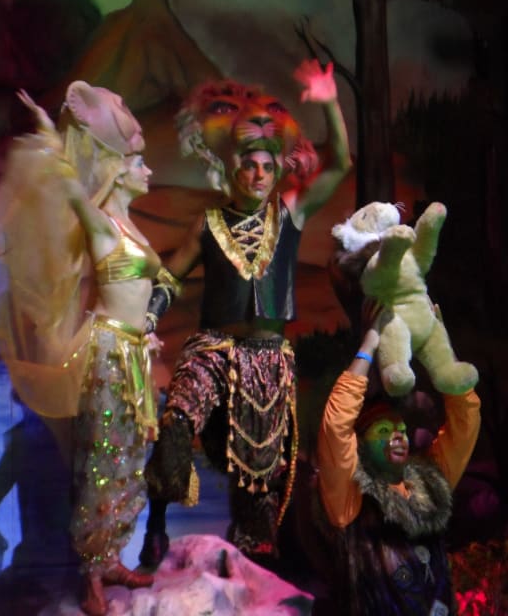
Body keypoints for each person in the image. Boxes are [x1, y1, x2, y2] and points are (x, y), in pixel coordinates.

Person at [138, 59, 353, 568]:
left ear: (277, 171)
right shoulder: (209, 222)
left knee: (260, 472)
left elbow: (340, 164)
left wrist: (329, 100)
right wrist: (147, 318)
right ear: (231, 168)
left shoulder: (289, 213)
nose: (258, 175)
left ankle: (254, 560)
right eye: (248, 165)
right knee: (176, 422)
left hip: (268, 360)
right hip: (212, 348)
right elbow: (169, 277)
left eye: (267, 167)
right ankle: (156, 523)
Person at [0, 82, 162, 615]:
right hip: (107, 353)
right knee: (102, 458)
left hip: (135, 352)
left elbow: (147, 287)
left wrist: (148, 330)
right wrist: (49, 133)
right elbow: (67, 183)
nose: (148, 169)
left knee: (129, 458)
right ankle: (90, 578)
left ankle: (112, 558)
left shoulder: (132, 227)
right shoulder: (102, 224)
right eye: (138, 164)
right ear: (119, 174)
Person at [315, 314, 481, 615]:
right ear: (360, 445)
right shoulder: (351, 497)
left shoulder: (429, 483)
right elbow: (336, 426)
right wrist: (369, 345)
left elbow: (465, 424)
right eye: (383, 430)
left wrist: (441, 355)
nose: (398, 435)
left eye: (402, 430)